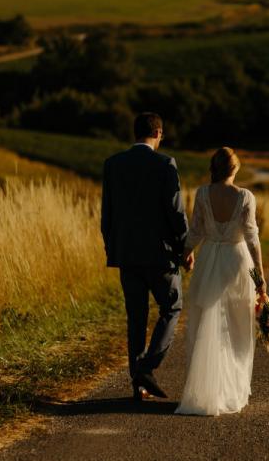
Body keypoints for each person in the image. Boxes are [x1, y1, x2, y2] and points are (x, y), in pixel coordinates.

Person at [101, 113, 193, 401]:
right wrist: (185, 248)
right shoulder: (165, 164)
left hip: (127, 254)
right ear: (159, 133)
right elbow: (175, 211)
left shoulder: (113, 164)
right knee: (173, 307)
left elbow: (108, 214)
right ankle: (147, 367)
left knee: (136, 319)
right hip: (160, 255)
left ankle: (138, 386)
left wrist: (112, 247)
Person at [176, 147, 267, 416]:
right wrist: (260, 276)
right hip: (237, 262)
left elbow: (196, 231)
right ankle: (231, 391)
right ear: (235, 169)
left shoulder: (203, 194)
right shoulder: (246, 197)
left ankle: (205, 391)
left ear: (213, 168)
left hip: (209, 260)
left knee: (206, 322)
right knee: (237, 327)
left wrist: (186, 253)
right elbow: (252, 238)